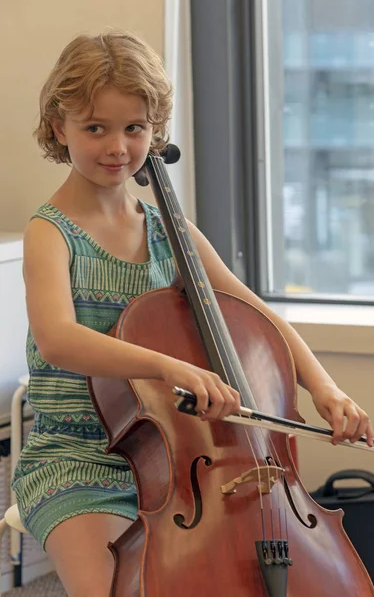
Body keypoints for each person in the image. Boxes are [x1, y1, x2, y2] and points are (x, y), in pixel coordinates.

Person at [11, 30, 373, 597]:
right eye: (95, 128)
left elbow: (261, 319)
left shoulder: (169, 234)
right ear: (60, 128)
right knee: (118, 589)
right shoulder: (49, 233)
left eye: (135, 128)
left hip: (184, 460)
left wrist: (325, 390)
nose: (117, 147)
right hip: (79, 460)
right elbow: (59, 339)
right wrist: (168, 367)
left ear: (155, 130)